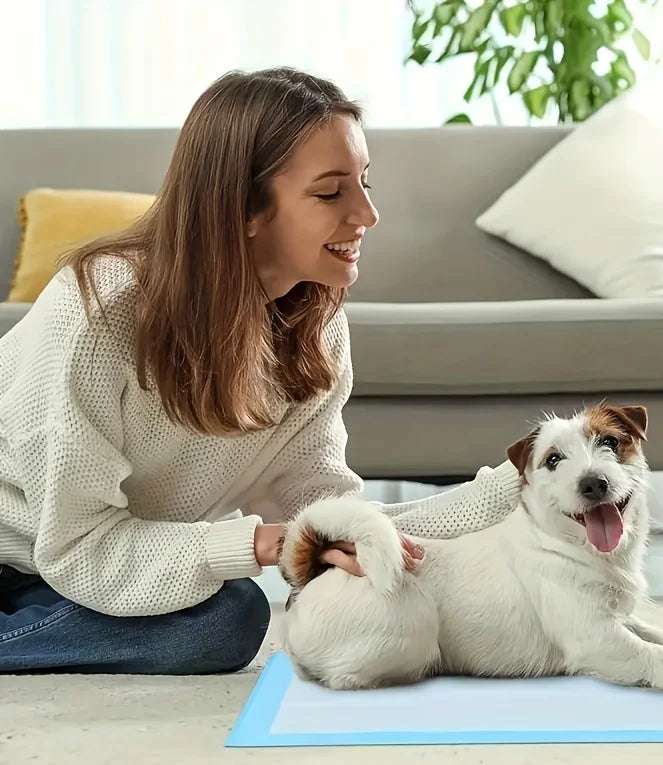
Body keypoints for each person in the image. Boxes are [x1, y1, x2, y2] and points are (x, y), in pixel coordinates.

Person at [0, 68, 522, 676]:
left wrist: (504, 493)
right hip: (35, 554)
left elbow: (326, 512)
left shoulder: (315, 325)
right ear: (243, 208)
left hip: (73, 567)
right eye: (331, 193)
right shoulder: (101, 314)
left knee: (224, 614)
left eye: (364, 183)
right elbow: (78, 545)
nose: (368, 214)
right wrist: (260, 542)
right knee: (231, 613)